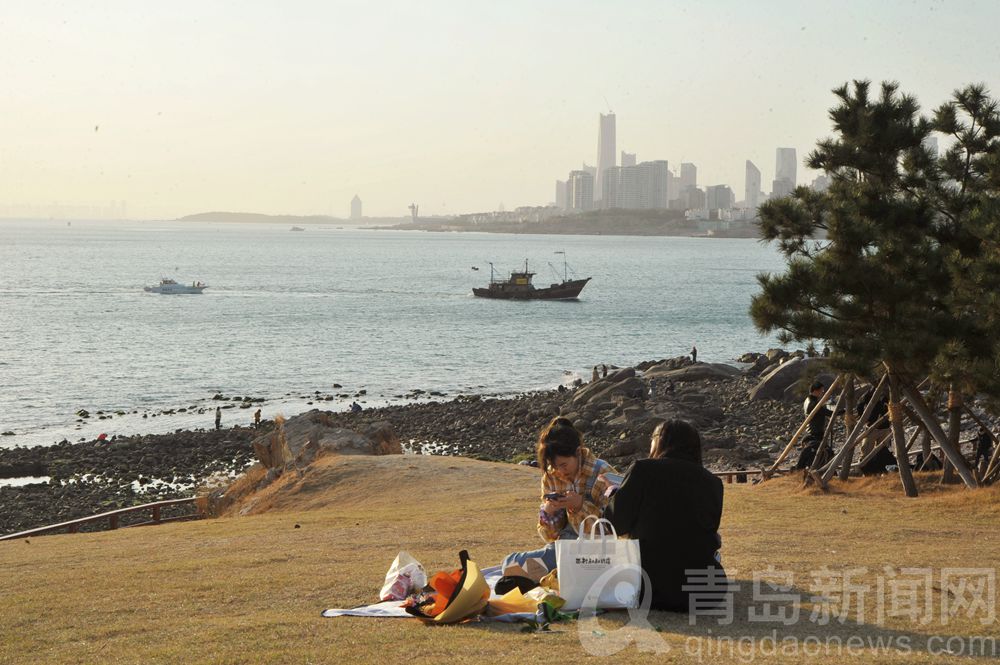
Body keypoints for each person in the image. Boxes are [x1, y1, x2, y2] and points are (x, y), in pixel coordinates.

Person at [603, 420, 726, 611]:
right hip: (704, 592)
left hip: (645, 589)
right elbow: (706, 527)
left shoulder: (642, 470)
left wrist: (615, 497)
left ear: (660, 441)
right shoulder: (713, 482)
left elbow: (614, 525)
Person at [500, 417, 616, 576]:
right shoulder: (551, 476)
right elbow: (550, 537)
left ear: (577, 452)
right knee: (511, 563)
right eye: (554, 466)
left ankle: (555, 571)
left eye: (563, 465)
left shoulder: (602, 473)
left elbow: (615, 528)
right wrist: (549, 514)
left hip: (600, 550)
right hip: (566, 547)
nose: (559, 471)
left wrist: (581, 505)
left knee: (539, 563)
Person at [796, 381, 832, 469]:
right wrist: (841, 411)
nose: (822, 393)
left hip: (812, 431)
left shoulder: (808, 400)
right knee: (826, 453)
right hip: (815, 433)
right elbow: (826, 412)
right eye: (821, 391)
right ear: (815, 391)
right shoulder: (813, 403)